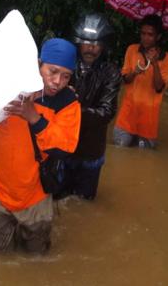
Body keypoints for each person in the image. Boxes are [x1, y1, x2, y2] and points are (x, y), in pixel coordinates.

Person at [0, 38, 81, 253]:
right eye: (53, 71)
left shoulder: (67, 103)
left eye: (66, 76)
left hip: (35, 196)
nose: (58, 81)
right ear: (38, 64)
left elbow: (64, 149)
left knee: (36, 256)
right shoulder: (7, 86)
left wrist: (35, 119)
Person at [55, 13, 121, 200]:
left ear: (104, 46)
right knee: (56, 196)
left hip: (91, 150)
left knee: (84, 201)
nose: (91, 48)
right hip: (63, 145)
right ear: (78, 43)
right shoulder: (65, 67)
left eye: (97, 43)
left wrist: (71, 109)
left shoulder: (111, 72)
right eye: (86, 42)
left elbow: (106, 112)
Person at [113, 14, 168, 149]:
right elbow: (125, 79)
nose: (145, 38)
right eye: (143, 33)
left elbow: (159, 88)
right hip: (127, 118)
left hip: (148, 122)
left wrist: (155, 64)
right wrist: (135, 72)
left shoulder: (167, 58)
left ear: (158, 37)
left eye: (150, 34)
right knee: (119, 152)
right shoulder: (132, 50)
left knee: (144, 157)